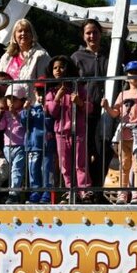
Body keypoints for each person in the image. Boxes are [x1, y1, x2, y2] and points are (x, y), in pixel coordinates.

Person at [71, 19, 117, 201]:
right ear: (83, 36)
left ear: (100, 34)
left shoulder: (110, 55)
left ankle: (97, 189)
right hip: (84, 111)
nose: (92, 36)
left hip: (105, 110)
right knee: (83, 152)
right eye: (88, 33)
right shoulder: (77, 57)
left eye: (95, 32)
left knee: (103, 150)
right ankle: (85, 190)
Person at [104, 61, 137, 204]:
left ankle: (136, 194)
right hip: (124, 134)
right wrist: (107, 107)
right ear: (127, 75)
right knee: (124, 164)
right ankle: (122, 194)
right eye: (131, 73)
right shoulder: (122, 94)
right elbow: (115, 113)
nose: (134, 76)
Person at [44, 55, 92, 202]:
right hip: (61, 132)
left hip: (78, 131)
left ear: (68, 69)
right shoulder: (51, 92)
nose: (58, 70)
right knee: (65, 164)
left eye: (61, 67)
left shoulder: (79, 89)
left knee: (80, 162)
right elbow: (51, 111)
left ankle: (84, 191)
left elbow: (90, 108)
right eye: (55, 68)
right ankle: (70, 190)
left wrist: (80, 103)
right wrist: (58, 98)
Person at [0, 19, 50, 104]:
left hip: (30, 106)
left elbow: (43, 83)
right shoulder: (6, 56)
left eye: (27, 31)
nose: (23, 34)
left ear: (32, 34)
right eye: (20, 31)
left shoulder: (41, 55)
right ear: (14, 35)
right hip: (7, 107)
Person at [0, 84, 28, 203]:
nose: (11, 101)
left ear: (21, 100)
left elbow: (25, 123)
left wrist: (15, 113)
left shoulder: (24, 111)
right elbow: (2, 127)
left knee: (16, 170)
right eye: (9, 98)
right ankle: (12, 192)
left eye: (14, 99)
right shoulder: (6, 113)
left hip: (20, 145)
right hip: (7, 146)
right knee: (9, 170)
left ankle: (14, 194)